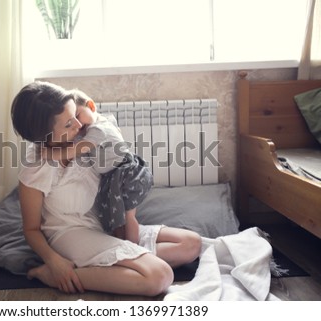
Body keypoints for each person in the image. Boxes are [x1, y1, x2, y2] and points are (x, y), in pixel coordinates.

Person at [11, 81, 201, 296]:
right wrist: (54, 261)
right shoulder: (36, 168)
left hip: (106, 222)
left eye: (74, 114)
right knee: (160, 276)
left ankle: (116, 266)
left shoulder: (85, 136)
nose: (77, 125)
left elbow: (105, 132)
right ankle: (57, 275)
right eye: (67, 125)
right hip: (71, 233)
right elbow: (31, 230)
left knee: (191, 244)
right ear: (44, 137)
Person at [42, 89, 152, 244]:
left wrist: (51, 154)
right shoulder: (101, 122)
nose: (77, 125)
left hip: (126, 173)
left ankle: (134, 247)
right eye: (71, 120)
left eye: (78, 115)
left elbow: (78, 149)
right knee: (116, 217)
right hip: (114, 175)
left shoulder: (97, 129)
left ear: (91, 106)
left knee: (128, 216)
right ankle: (121, 241)